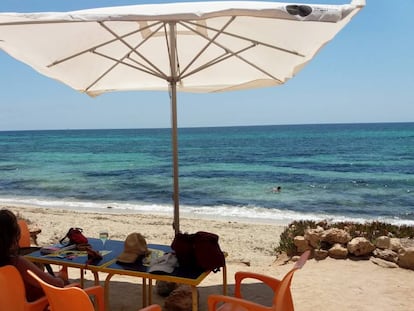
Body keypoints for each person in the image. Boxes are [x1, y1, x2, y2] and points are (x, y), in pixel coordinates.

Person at [0, 209, 68, 302]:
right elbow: (56, 285)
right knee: (66, 282)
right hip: (32, 306)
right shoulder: (17, 263)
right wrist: (61, 278)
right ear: (13, 236)